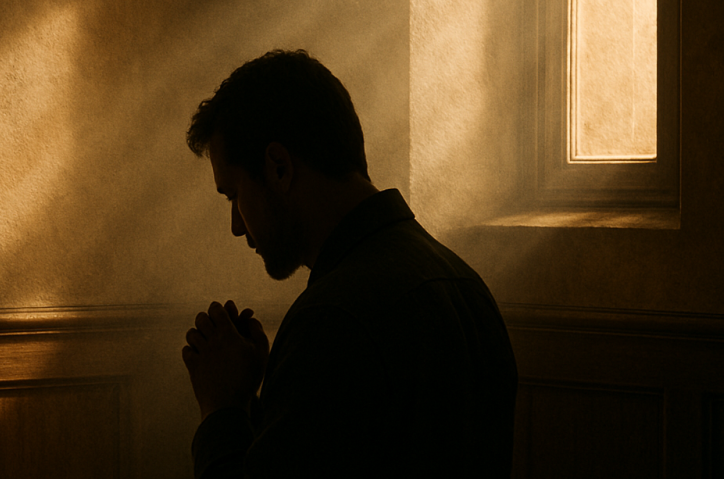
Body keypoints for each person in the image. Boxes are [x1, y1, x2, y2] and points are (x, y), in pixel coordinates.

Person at [181, 49, 518, 478]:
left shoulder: (333, 319)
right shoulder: (464, 283)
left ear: (279, 168)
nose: (235, 226)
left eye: (233, 196)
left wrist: (221, 409)